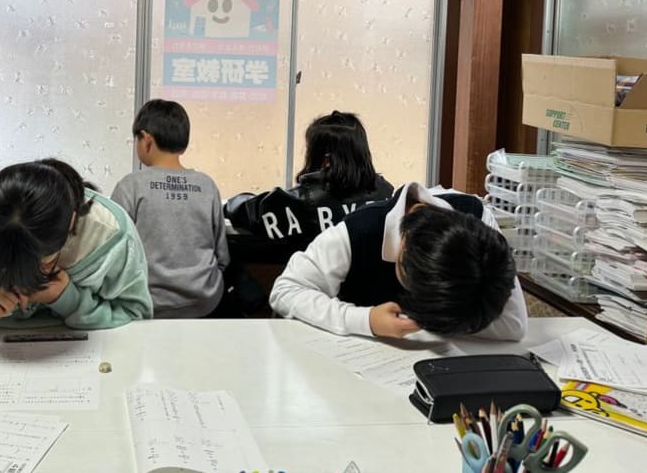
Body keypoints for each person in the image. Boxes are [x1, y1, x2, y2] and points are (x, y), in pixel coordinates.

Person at [0, 158, 153, 329]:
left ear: (72, 221)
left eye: (44, 263)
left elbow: (136, 316)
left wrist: (69, 300)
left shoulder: (109, 234)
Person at [269, 182, 528, 340]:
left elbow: (513, 325)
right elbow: (286, 290)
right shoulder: (358, 232)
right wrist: (366, 320)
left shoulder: (479, 222)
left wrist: (442, 319)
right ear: (401, 251)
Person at [111, 99, 229, 318]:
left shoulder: (130, 186)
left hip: (146, 302)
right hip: (205, 301)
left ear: (146, 140)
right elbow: (222, 256)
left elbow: (114, 253)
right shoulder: (206, 185)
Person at [225, 111, 394, 254]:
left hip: (318, 283)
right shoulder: (386, 195)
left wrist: (231, 204)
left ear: (326, 161)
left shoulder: (302, 200)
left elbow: (248, 212)